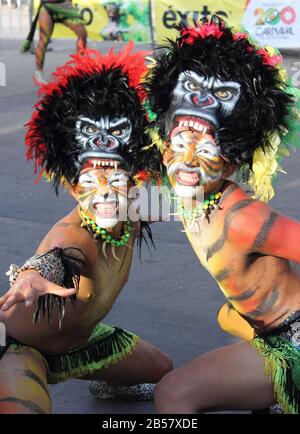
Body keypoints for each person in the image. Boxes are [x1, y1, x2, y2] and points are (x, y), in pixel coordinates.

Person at [0, 43, 171, 414]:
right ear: (73, 186)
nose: (105, 192)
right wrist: (32, 275)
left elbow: (194, 204)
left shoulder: (135, 210)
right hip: (20, 346)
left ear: (136, 177)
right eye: (90, 182)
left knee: (162, 369)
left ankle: (103, 382)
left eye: (115, 176)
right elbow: (56, 257)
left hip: (81, 342)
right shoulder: (74, 234)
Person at [145, 19, 300, 413]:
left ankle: (288, 384)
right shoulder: (188, 194)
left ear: (230, 166)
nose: (188, 159)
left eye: (207, 150)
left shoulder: (242, 219)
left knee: (172, 393)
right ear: (164, 148)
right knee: (226, 316)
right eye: (180, 142)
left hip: (293, 338)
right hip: (267, 326)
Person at [21, 0, 87, 84]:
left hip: (65, 5)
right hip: (47, 5)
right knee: (43, 41)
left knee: (82, 33)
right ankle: (39, 73)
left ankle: (80, 69)